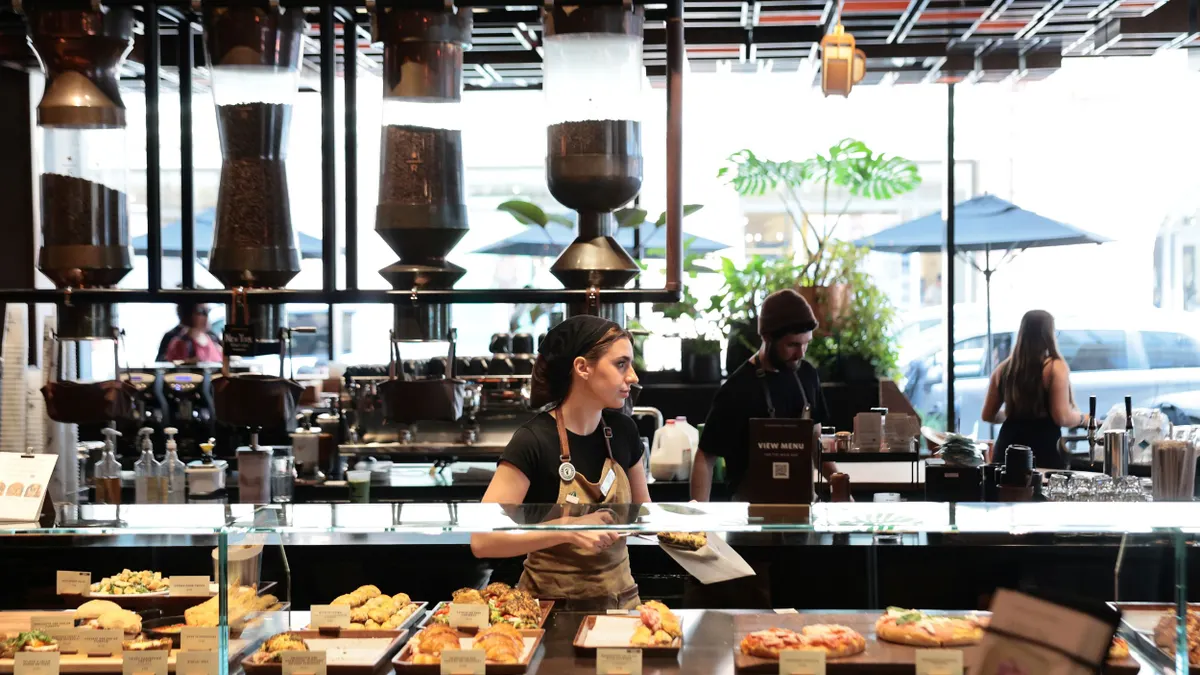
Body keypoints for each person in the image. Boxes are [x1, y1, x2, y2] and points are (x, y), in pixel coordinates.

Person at [470, 315, 649, 611]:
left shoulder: (624, 431)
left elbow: (642, 515)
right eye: (621, 364)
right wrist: (567, 528)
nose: (633, 376)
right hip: (548, 610)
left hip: (620, 607)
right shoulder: (534, 440)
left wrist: (686, 519)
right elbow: (483, 540)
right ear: (582, 367)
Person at [691, 288, 834, 502]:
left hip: (803, 510)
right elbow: (705, 457)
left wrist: (840, 485)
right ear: (767, 337)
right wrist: (697, 519)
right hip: (750, 517)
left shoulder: (808, 376)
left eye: (806, 344)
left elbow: (815, 444)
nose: (801, 354)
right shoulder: (737, 389)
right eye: (793, 345)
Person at [981, 309, 1088, 469]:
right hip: (1043, 450)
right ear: (1049, 335)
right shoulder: (1054, 367)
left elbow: (988, 415)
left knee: (1007, 492)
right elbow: (1062, 417)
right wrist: (1084, 419)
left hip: (1007, 450)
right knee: (1040, 493)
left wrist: (1014, 414)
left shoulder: (1004, 369)